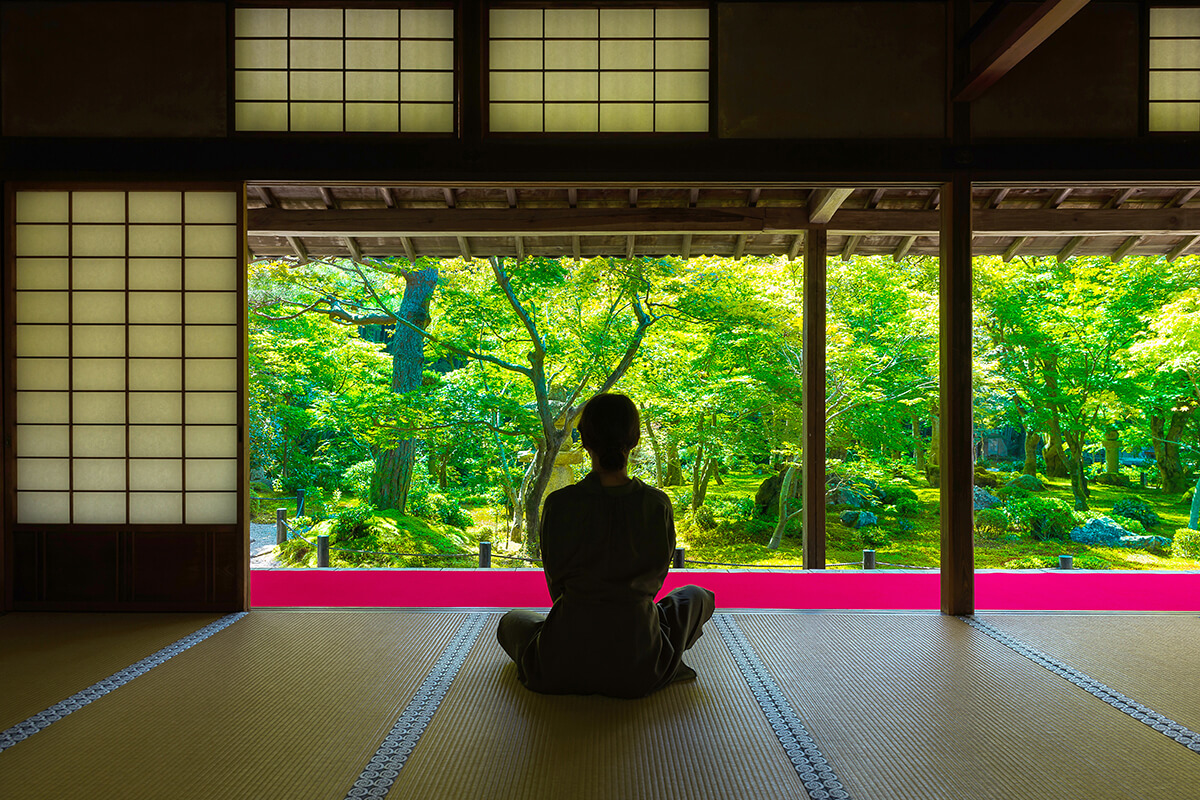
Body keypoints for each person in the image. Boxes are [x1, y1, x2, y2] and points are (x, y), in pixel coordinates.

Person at [497, 393, 716, 698]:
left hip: (560, 661)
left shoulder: (559, 505)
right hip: (642, 661)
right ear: (635, 439)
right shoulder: (656, 504)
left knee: (512, 621)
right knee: (698, 596)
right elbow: (653, 584)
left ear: (584, 440)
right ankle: (660, 654)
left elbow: (556, 588)